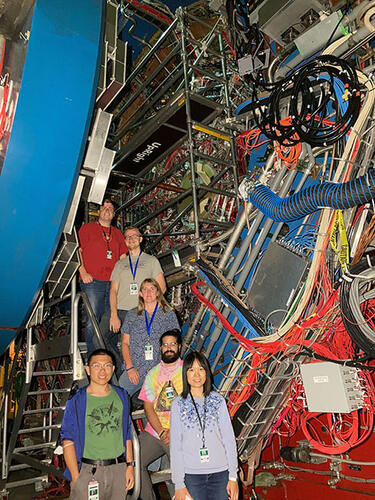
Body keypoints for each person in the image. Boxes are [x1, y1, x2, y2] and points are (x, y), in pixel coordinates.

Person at [60, 349, 135, 500]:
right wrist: (76, 478)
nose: (102, 371)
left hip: (118, 470)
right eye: (96, 366)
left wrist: (130, 466)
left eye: (107, 366)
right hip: (88, 471)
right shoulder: (76, 401)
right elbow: (67, 440)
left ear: (113, 369)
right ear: (88, 370)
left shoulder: (122, 396)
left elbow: (126, 433)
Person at [170, 352, 239, 500]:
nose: (197, 374)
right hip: (192, 477)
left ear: (207, 372)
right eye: (191, 370)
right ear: (185, 374)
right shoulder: (178, 404)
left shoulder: (218, 400)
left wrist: (233, 477)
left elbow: (229, 439)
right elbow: (176, 446)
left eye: (201, 369)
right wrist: (178, 484)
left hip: (221, 475)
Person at [100, 226, 166, 373]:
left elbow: (162, 287)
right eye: (127, 237)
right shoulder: (120, 264)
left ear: (140, 239)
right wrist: (113, 314)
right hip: (121, 310)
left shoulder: (151, 261)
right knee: (99, 337)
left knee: (138, 347)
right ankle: (119, 367)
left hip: (140, 312)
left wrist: (150, 310)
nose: (131, 239)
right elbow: (113, 290)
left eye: (134, 236)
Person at [78, 199, 127, 357]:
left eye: (110, 209)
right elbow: (77, 251)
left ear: (114, 214)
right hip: (92, 281)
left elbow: (123, 258)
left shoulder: (118, 234)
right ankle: (95, 359)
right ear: (98, 212)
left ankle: (111, 358)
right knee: (93, 321)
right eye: (104, 208)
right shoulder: (87, 229)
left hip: (113, 283)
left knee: (112, 322)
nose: (107, 210)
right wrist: (83, 271)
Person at [138, 330, 183, 500]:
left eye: (172, 344)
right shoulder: (153, 374)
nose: (169, 348)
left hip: (180, 433)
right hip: (156, 432)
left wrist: (174, 430)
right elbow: (148, 407)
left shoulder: (188, 371)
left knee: (186, 472)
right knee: (134, 462)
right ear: (160, 348)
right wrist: (162, 431)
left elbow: (192, 406)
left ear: (179, 346)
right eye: (165, 345)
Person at [119, 278, 180, 396]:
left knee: (162, 405)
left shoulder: (168, 314)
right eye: (145, 289)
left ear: (158, 292)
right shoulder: (132, 315)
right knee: (120, 397)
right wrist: (130, 367)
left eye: (152, 289)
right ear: (140, 293)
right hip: (135, 368)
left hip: (159, 369)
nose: (148, 293)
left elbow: (174, 343)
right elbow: (125, 343)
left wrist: (169, 369)